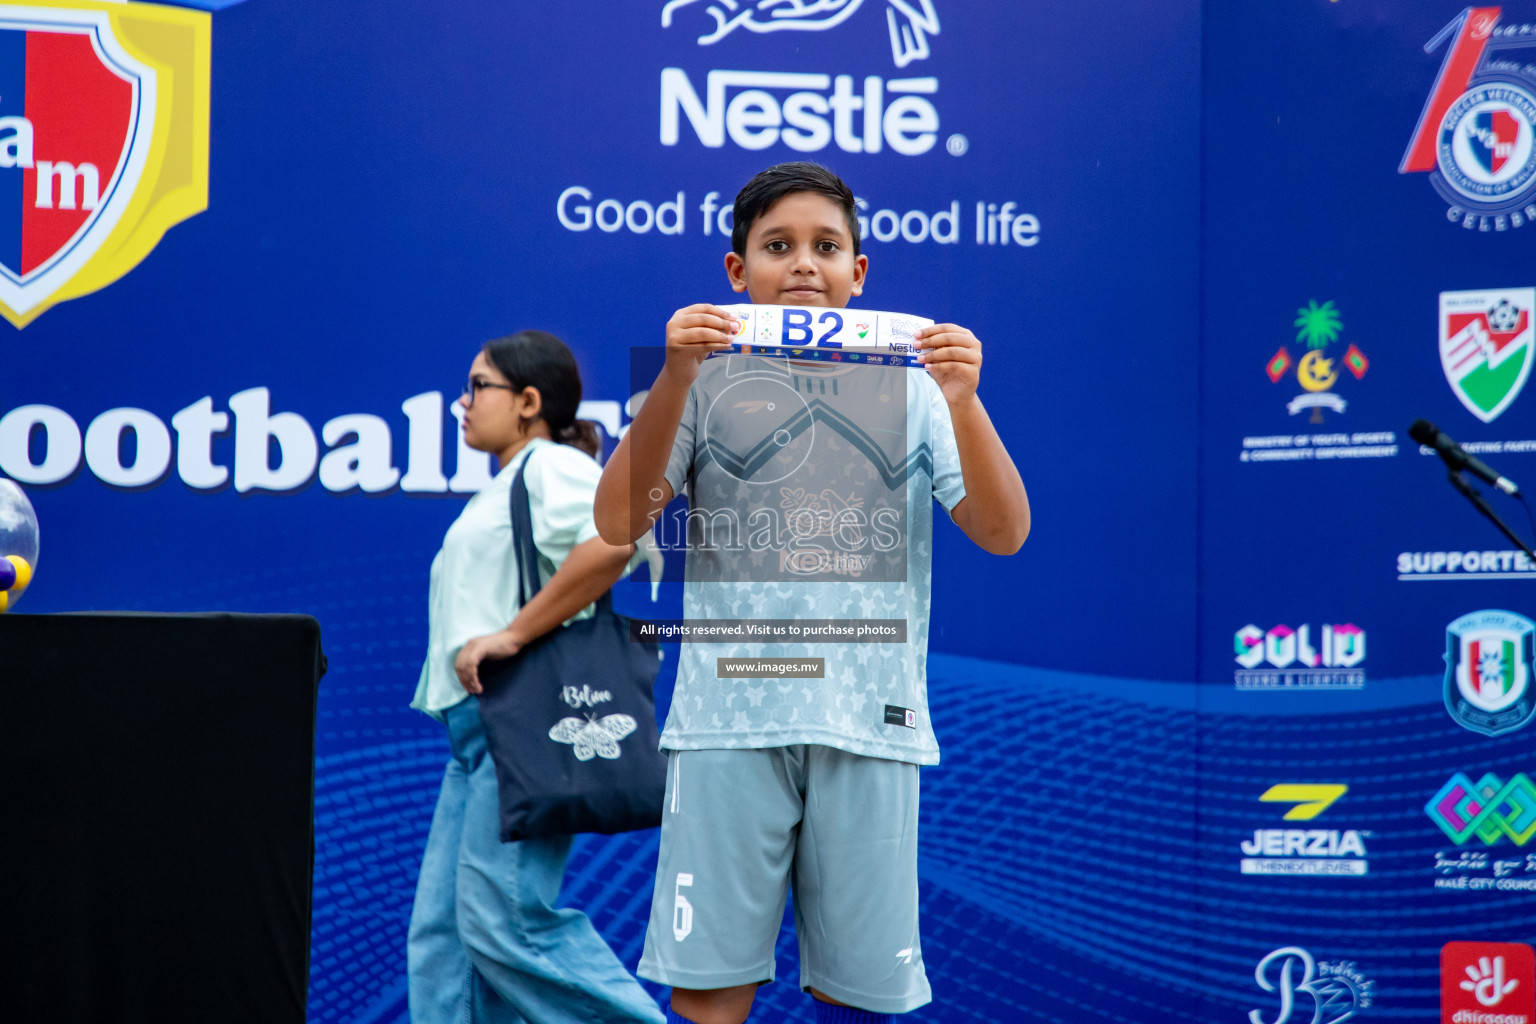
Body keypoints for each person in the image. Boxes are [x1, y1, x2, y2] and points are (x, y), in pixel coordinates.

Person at [593, 162, 1031, 1024]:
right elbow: (616, 523)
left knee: (860, 997)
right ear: (735, 271)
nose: (803, 265)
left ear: (858, 274)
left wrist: (967, 403)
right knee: (709, 990)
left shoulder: (918, 386)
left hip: (873, 726)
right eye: (777, 246)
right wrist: (677, 376)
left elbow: (1003, 530)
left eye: (826, 247)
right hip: (727, 724)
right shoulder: (698, 381)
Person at [407, 330, 665, 1024]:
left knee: (505, 922)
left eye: (477, 386)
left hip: (516, 725)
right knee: (446, 940)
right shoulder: (511, 481)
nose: (462, 403)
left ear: (527, 402)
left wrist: (516, 632)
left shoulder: (550, 465)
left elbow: (617, 540)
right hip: (476, 733)